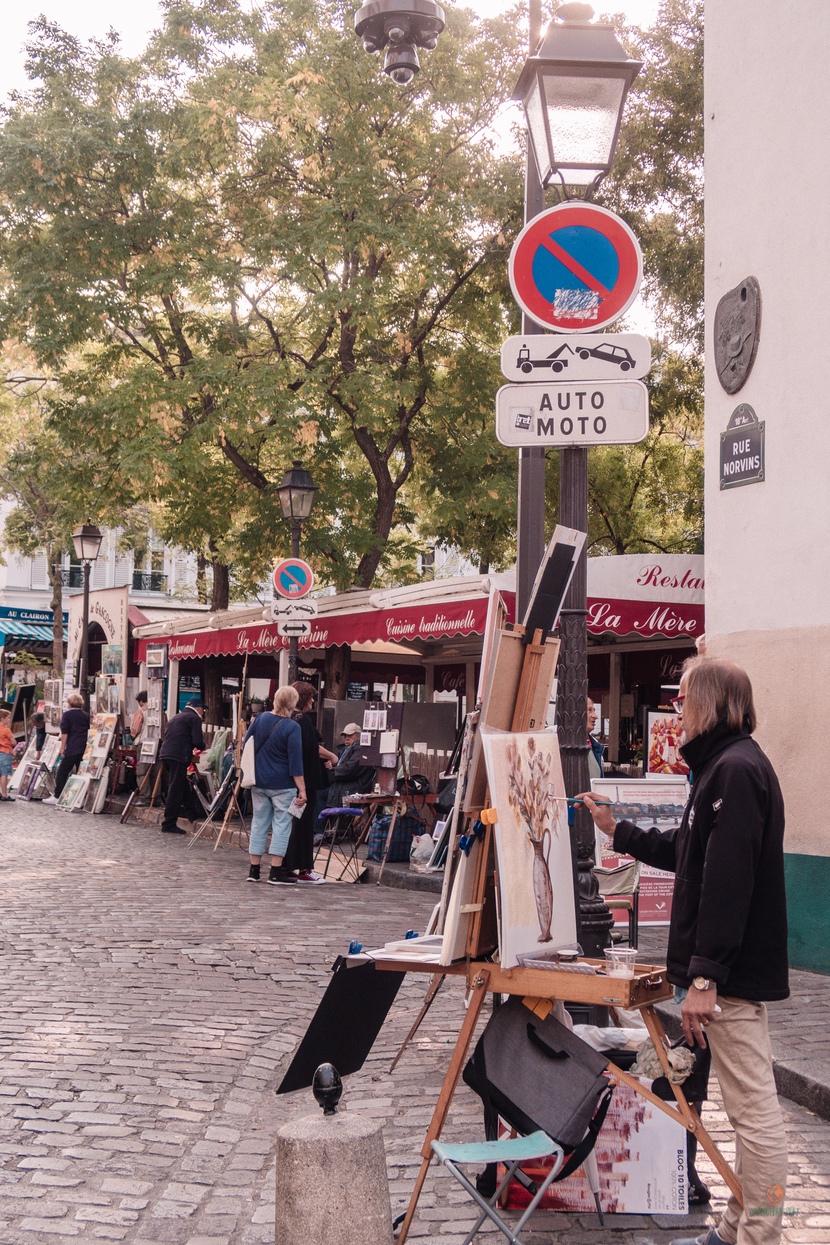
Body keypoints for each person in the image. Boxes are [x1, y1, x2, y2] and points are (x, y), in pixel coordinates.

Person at [579, 656, 789, 1245]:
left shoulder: (736, 770)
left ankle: (761, 1234)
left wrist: (705, 979)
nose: (678, 709)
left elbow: (728, 882)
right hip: (729, 974)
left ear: (712, 703)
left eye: (685, 698)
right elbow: (690, 851)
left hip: (734, 979)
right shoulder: (722, 767)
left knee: (756, 1121)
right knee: (749, 1117)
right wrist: (617, 830)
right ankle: (733, 1229)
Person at [243, 685, 306, 886]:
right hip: (282, 784)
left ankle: (254, 870)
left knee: (259, 823)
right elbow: (296, 762)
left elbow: (246, 744)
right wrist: (302, 789)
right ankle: (275, 871)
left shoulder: (260, 718)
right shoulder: (292, 727)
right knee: (281, 825)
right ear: (293, 704)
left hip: (259, 781)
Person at [283, 682, 338, 884]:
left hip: (289, 781)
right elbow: (311, 747)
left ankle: (287, 866)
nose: (313, 701)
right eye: (311, 698)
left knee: (290, 824)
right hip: (305, 782)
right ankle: (304, 868)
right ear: (304, 699)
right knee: (304, 825)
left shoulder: (286, 719)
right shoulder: (302, 721)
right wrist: (332, 755)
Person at [158, 697, 206, 834]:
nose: (203, 713)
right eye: (203, 710)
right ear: (198, 708)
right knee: (176, 789)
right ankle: (168, 823)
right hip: (178, 756)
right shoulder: (194, 718)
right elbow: (197, 741)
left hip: (165, 754)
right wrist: (203, 746)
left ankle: (192, 813)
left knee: (182, 784)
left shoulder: (177, 717)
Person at [43, 693, 91, 804]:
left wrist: (62, 747)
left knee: (62, 772)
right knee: (81, 772)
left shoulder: (67, 715)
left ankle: (58, 795)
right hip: (84, 746)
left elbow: (65, 733)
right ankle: (81, 798)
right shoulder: (85, 715)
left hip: (72, 746)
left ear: (69, 703)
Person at [324, 723, 376, 807]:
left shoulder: (361, 750)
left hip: (353, 789)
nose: (346, 738)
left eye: (350, 735)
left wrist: (333, 770)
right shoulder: (346, 749)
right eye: (345, 736)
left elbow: (350, 769)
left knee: (320, 795)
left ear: (359, 736)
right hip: (344, 787)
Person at [0, 709, 16, 801]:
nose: (9, 720)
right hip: (5, 752)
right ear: (3, 719)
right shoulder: (6, 730)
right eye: (8, 718)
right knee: (4, 774)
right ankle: (4, 794)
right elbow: (13, 742)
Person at [587, 698, 604, 780]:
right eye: (589, 710)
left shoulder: (595, 746)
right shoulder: (558, 745)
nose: (595, 716)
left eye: (594, 710)